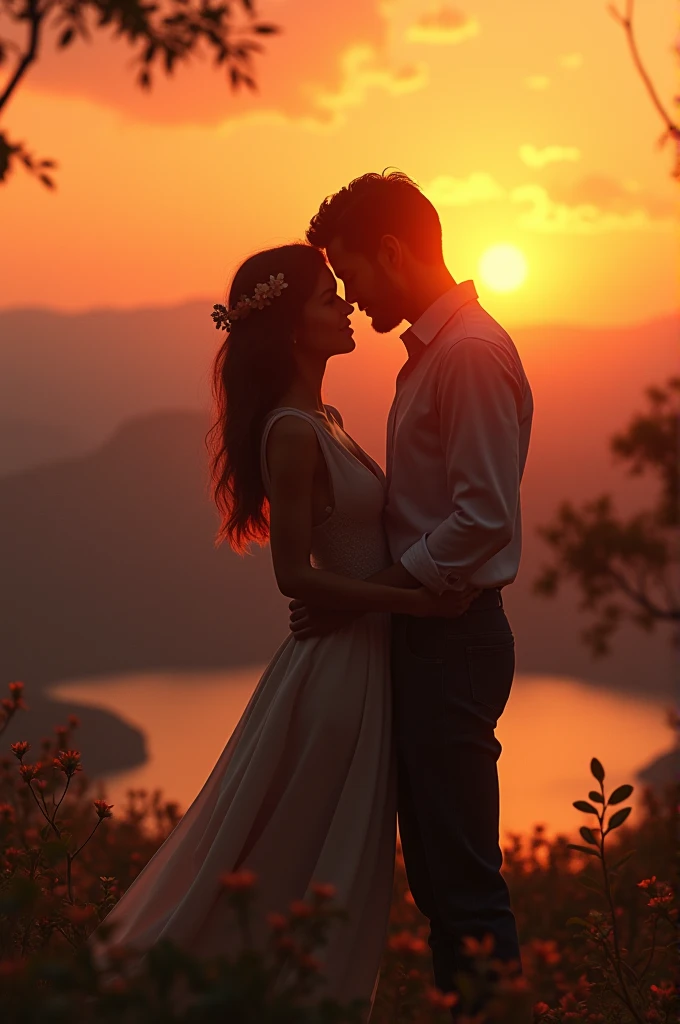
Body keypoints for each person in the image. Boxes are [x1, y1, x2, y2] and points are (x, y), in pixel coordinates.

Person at [87, 242, 472, 1014]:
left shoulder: (325, 417)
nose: (346, 308)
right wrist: (416, 600)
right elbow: (293, 576)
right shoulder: (293, 429)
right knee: (307, 860)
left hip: (357, 659)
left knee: (327, 863)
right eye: (329, 299)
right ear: (293, 325)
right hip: (337, 674)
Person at [293, 171, 534, 1006]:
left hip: (453, 638)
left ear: (393, 251)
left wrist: (381, 591)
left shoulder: (466, 356)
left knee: (462, 878)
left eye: (352, 272)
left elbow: (482, 520)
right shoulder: (436, 355)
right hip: (430, 635)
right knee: (439, 876)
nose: (351, 299)